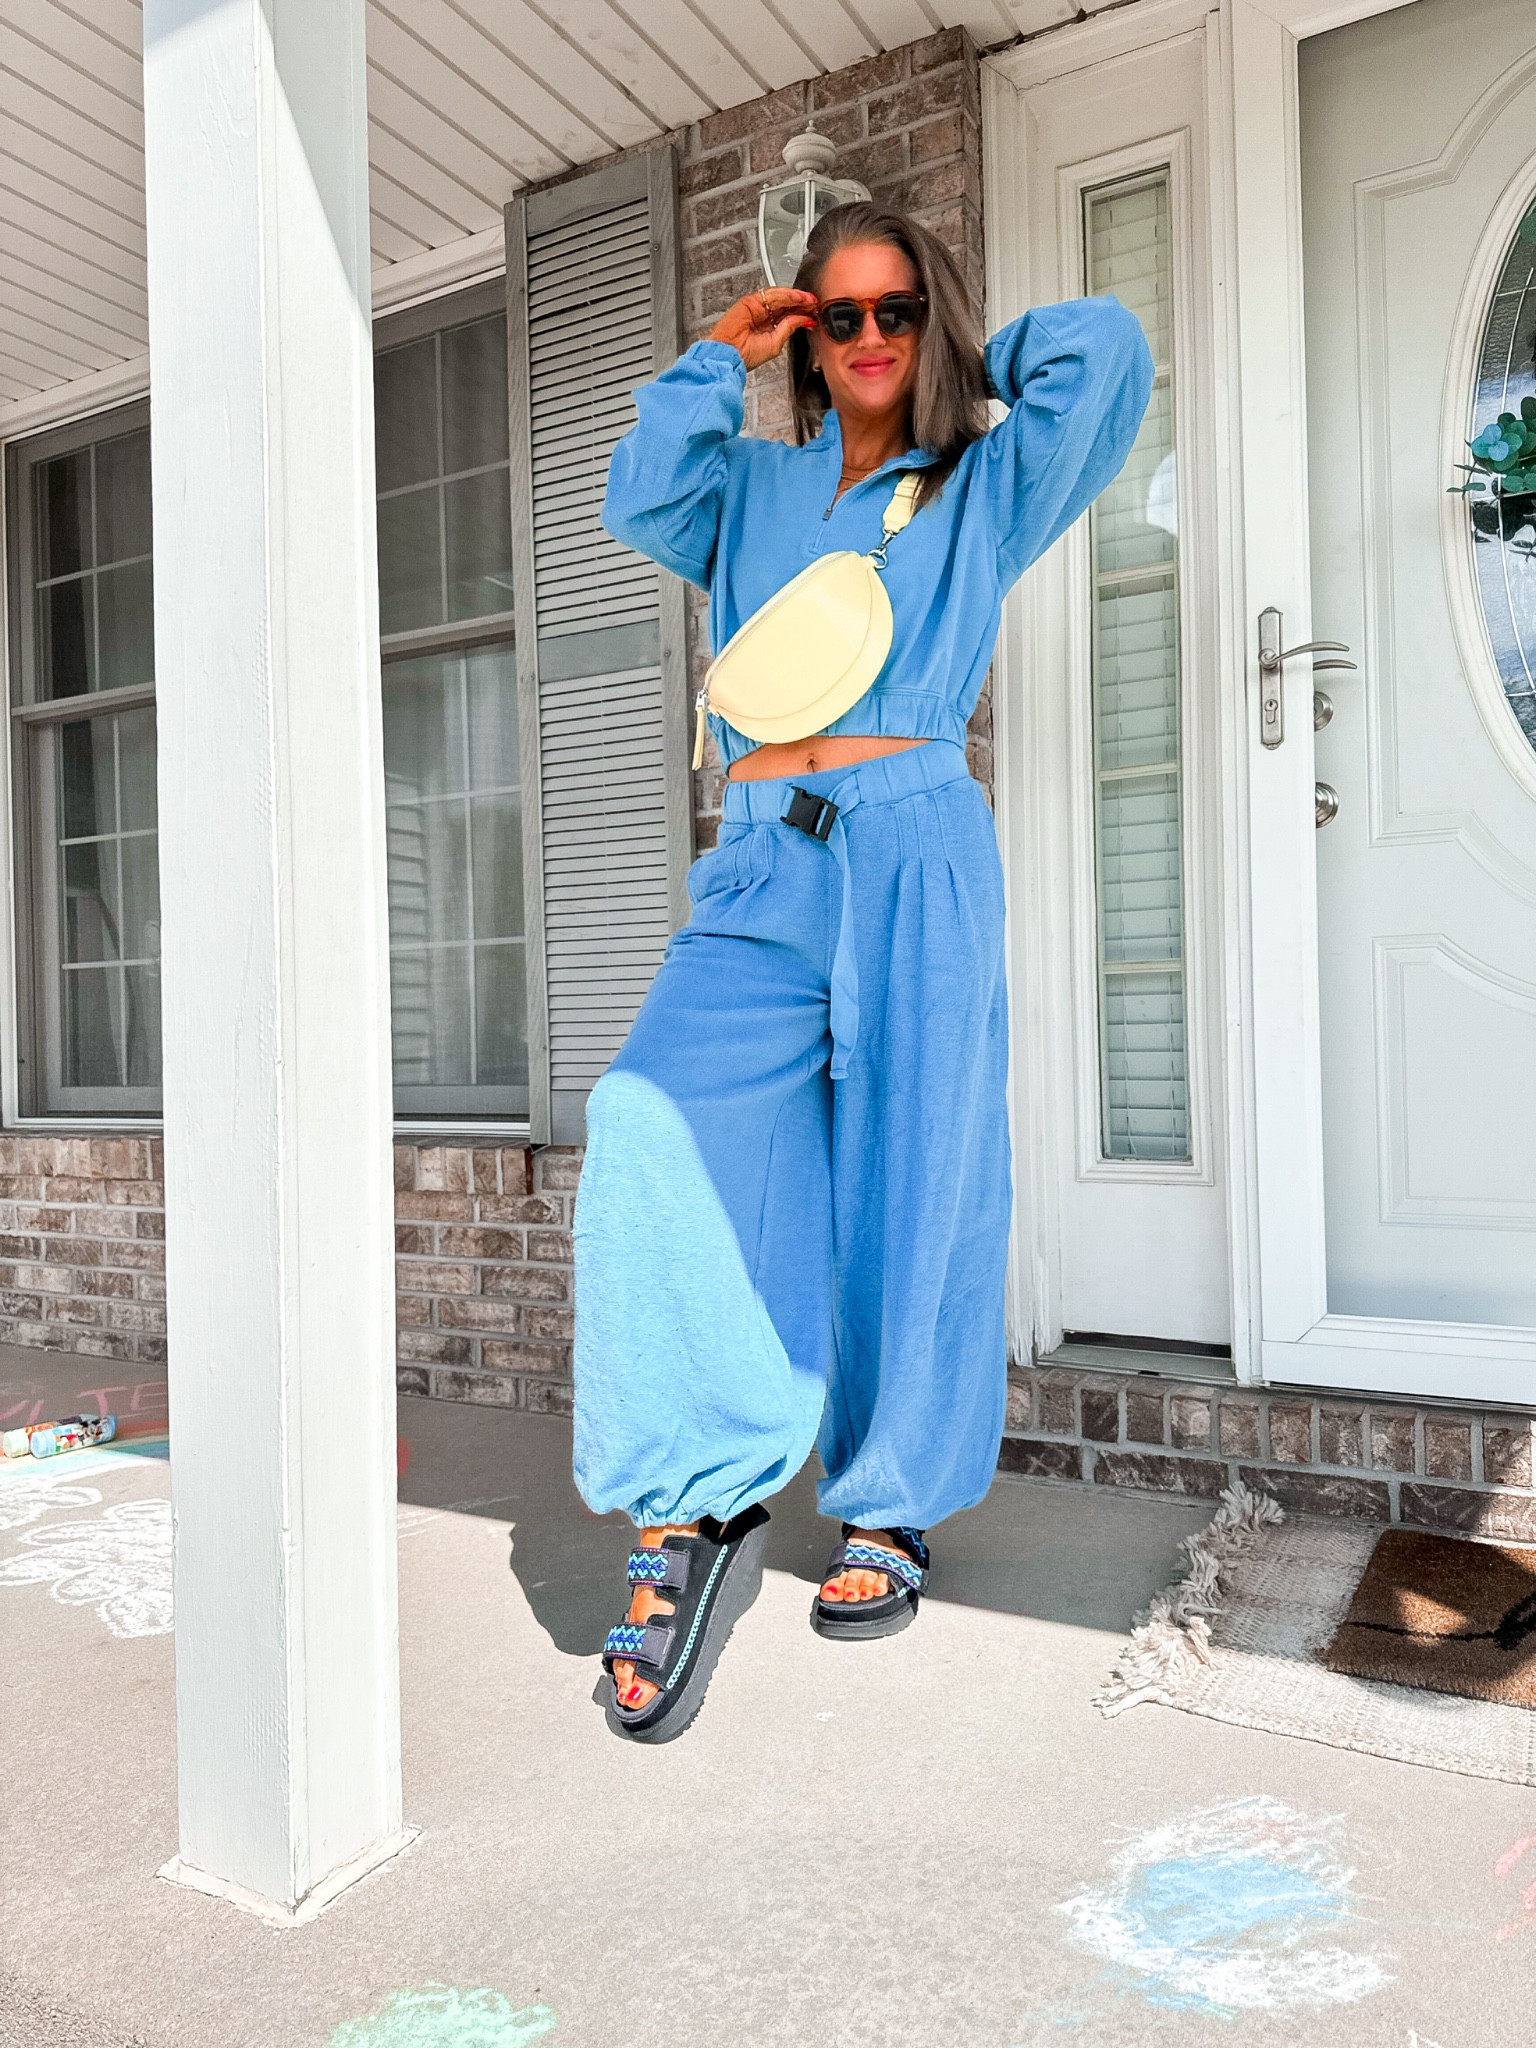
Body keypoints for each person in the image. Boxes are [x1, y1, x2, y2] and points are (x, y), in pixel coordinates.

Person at [574, 201, 1152, 1742]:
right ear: (806, 339)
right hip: (762, 854)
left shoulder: (985, 481)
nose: (873, 338)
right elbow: (639, 494)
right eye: (842, 317)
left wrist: (975, 348)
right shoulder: (750, 490)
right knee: (651, 1123)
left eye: (898, 310)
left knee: (920, 1175)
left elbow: (1108, 357)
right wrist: (716, 357)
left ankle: (889, 1502)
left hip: (914, 841)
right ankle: (696, 1498)